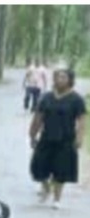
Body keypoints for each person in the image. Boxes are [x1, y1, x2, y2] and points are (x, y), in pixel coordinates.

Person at [29, 68, 86, 209]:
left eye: (64, 77)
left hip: (66, 139)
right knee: (37, 166)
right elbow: (38, 117)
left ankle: (57, 199)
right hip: (47, 137)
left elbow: (82, 120)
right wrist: (32, 134)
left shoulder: (76, 99)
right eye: (58, 77)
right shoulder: (46, 97)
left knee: (61, 170)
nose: (60, 80)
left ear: (70, 80)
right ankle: (46, 187)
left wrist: (79, 137)